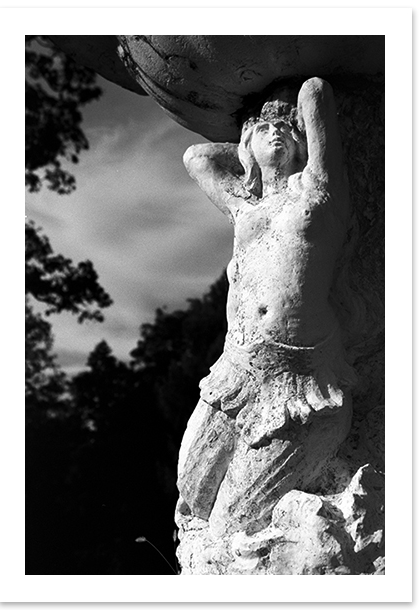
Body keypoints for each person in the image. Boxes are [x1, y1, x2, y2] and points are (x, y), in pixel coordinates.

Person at [177, 78, 357, 536]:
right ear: (247, 144)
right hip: (235, 371)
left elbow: (315, 90)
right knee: (191, 491)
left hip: (299, 384)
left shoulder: (320, 191)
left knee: (232, 525)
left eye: (287, 130)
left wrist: (293, 126)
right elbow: (196, 158)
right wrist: (246, 149)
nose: (277, 132)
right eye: (264, 129)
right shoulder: (244, 206)